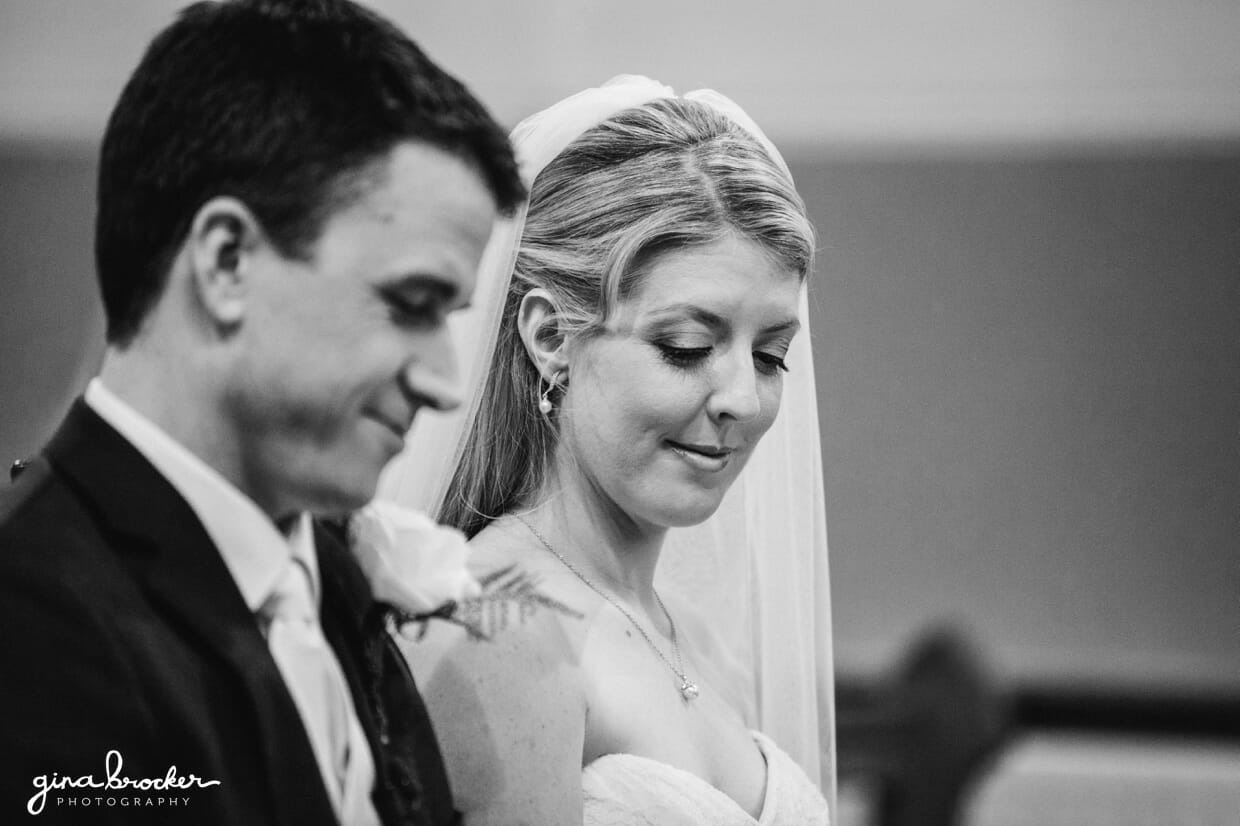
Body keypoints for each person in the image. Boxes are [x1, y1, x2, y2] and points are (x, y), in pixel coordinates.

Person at [0, 1, 523, 824]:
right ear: (227, 262)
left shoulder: (334, 583)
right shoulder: (28, 617)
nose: (446, 382)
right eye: (412, 302)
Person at [387, 76, 833, 825]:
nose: (743, 400)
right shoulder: (497, 628)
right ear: (550, 336)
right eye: (687, 347)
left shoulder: (694, 639)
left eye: (770, 356)